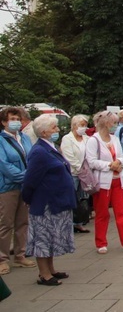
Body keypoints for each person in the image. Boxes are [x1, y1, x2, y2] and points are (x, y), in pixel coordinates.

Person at [20, 115, 77, 286]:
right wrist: (27, 198)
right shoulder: (39, 151)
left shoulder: (50, 147)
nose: (57, 130)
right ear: (44, 132)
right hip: (45, 202)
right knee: (43, 238)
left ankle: (51, 269)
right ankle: (44, 274)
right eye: (54, 127)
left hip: (56, 201)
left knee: (52, 237)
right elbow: (30, 179)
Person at [85, 111, 123, 254]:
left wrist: (119, 162)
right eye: (114, 123)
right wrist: (109, 165)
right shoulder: (93, 140)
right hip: (103, 183)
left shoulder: (114, 139)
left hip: (118, 181)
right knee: (102, 213)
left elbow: (122, 156)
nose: (115, 126)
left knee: (122, 213)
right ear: (105, 123)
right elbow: (91, 162)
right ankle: (101, 243)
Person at [0, 107, 36, 276]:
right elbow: (5, 165)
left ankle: (20, 255)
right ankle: (2, 259)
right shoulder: (1, 140)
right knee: (5, 224)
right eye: (13, 118)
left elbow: (32, 158)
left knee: (23, 222)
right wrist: (26, 176)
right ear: (4, 122)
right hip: (8, 187)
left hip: (25, 186)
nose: (17, 122)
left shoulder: (25, 138)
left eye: (18, 119)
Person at [60, 114, 91, 233]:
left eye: (85, 125)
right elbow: (69, 157)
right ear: (74, 125)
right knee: (71, 198)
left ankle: (79, 222)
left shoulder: (86, 138)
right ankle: (69, 223)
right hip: (73, 173)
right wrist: (80, 168)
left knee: (82, 198)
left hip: (85, 174)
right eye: (82, 125)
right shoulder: (67, 139)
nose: (84, 127)